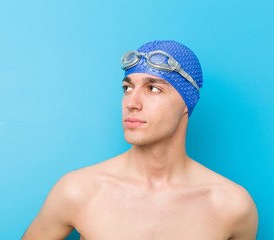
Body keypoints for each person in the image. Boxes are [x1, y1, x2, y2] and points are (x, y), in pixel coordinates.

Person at [21, 40, 258, 240]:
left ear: (187, 103)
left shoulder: (231, 205)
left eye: (153, 89)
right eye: (127, 87)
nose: (131, 103)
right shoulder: (79, 190)